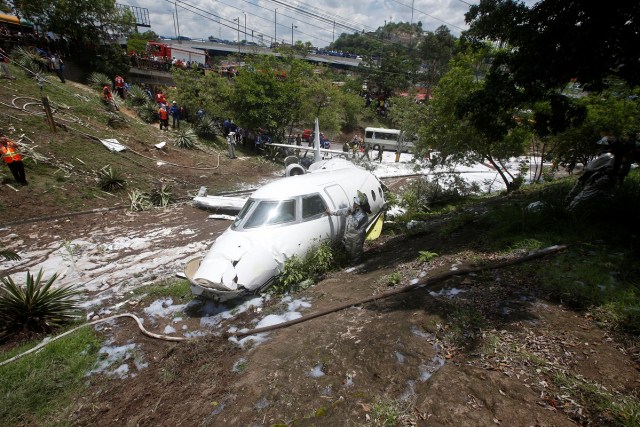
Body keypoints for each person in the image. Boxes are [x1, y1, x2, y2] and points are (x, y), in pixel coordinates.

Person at [326, 191, 371, 263]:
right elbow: (342, 211)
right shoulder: (353, 209)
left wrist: (350, 215)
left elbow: (355, 224)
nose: (353, 204)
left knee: (356, 252)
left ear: (358, 205)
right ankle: (352, 262)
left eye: (355, 203)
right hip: (350, 235)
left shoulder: (362, 215)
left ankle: (356, 265)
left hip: (358, 237)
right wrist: (331, 212)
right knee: (349, 249)